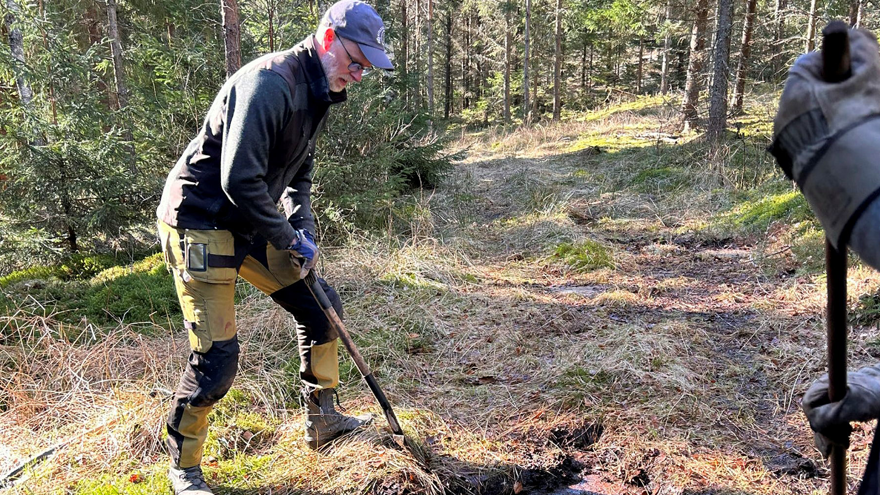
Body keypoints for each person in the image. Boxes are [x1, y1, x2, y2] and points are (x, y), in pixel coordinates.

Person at [155, 1, 393, 493]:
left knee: (322, 308)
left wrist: (302, 232)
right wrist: (284, 236)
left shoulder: (319, 90)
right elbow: (240, 179)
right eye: (357, 59)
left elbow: (296, 174)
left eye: (368, 65)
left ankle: (323, 420)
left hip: (250, 221)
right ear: (329, 39)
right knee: (218, 355)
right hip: (199, 221)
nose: (361, 72)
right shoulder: (270, 83)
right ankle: (184, 464)